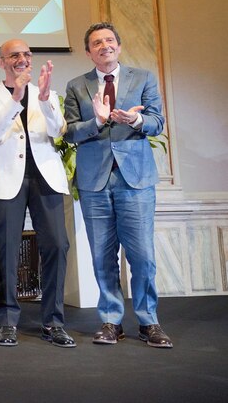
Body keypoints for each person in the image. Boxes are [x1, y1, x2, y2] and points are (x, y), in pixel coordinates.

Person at [63, 23, 171, 348]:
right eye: (97, 42)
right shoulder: (76, 86)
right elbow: (69, 132)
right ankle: (111, 321)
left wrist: (135, 120)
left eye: (109, 40)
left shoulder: (144, 78)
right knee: (102, 255)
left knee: (142, 256)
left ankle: (148, 321)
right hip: (95, 181)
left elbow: (156, 122)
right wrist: (97, 121)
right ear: (88, 52)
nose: (104, 46)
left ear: (119, 47)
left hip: (134, 179)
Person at [0, 39, 75, 348]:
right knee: (6, 248)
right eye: (14, 55)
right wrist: (16, 97)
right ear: (2, 61)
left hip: (45, 176)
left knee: (57, 245)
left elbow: (58, 129)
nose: (22, 59)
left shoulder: (49, 94)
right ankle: (7, 321)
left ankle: (53, 321)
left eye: (27, 54)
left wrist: (44, 99)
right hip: (7, 180)